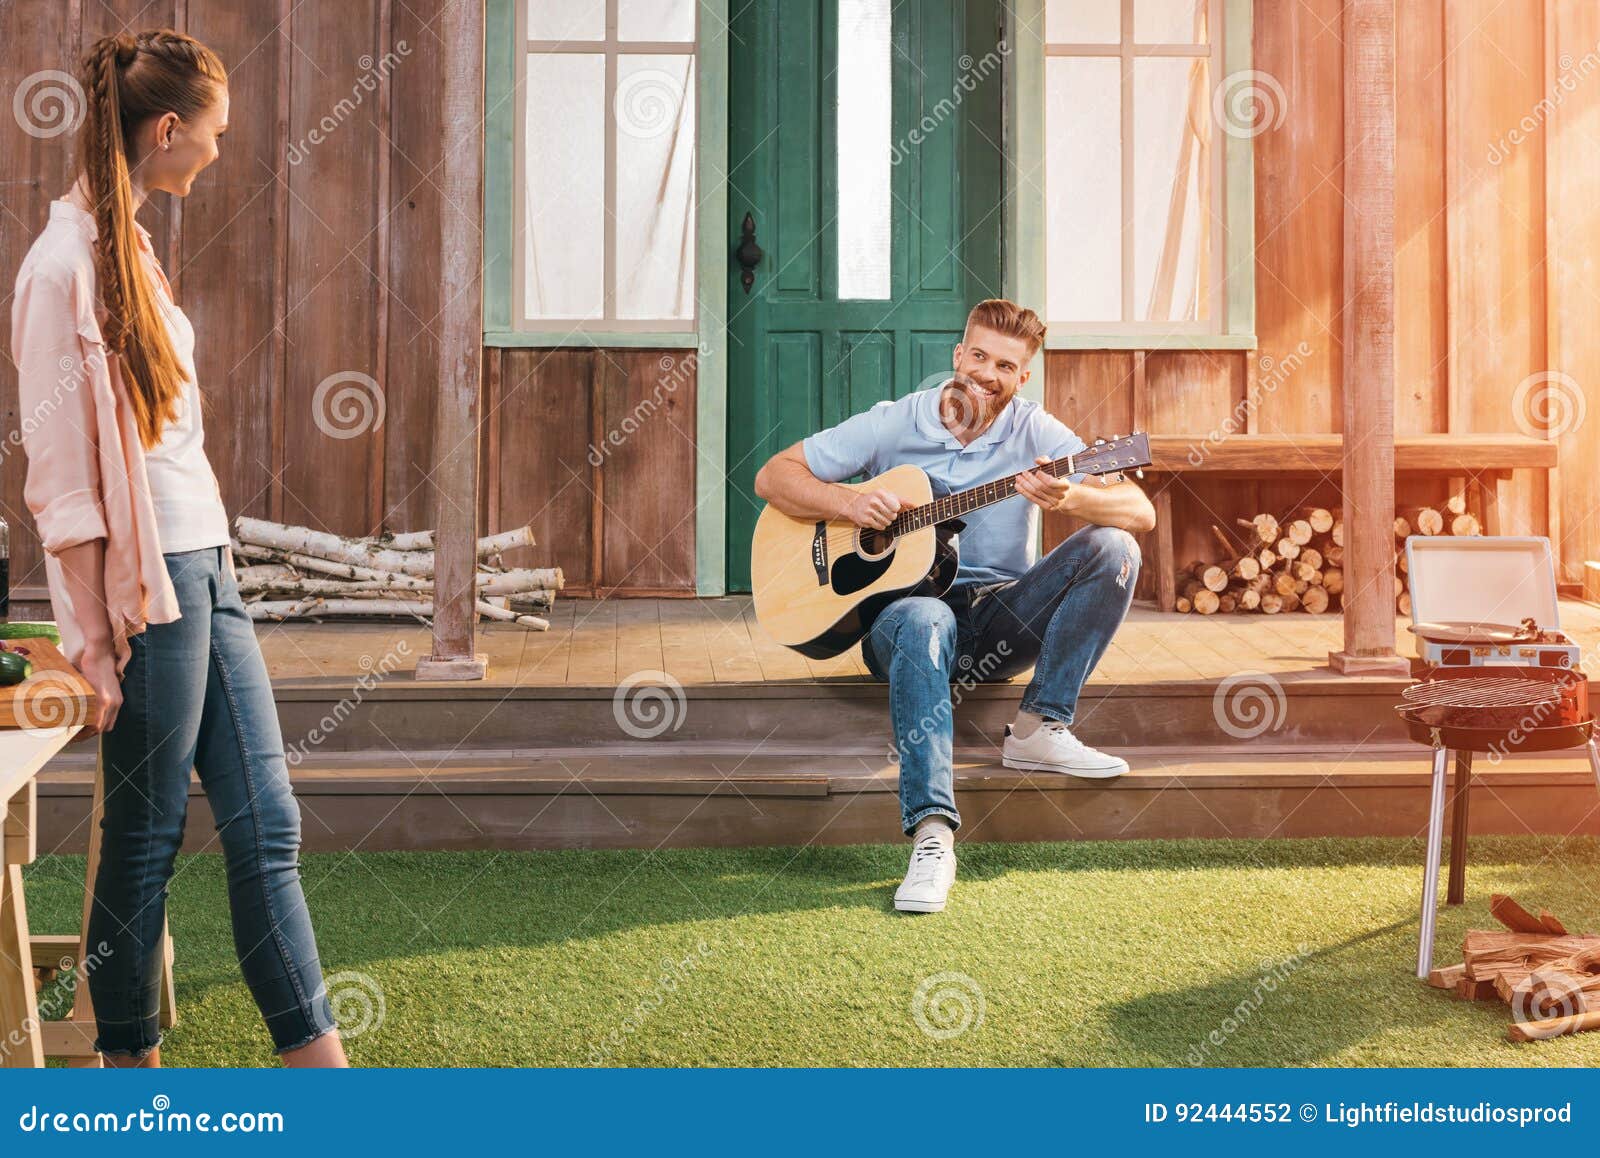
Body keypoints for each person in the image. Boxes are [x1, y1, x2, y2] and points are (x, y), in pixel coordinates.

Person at [9, 29, 345, 1067]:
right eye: (214, 132)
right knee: (145, 841)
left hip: (207, 565)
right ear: (166, 129)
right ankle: (127, 1077)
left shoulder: (134, 249)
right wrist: (94, 640)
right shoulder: (59, 266)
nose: (217, 149)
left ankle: (321, 1077)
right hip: (147, 593)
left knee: (266, 826)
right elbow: (60, 487)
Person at [753, 299, 1156, 914]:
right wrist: (847, 506)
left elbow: (1140, 511)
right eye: (979, 355)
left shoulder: (1036, 432)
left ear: (1023, 377)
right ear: (957, 355)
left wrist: (1072, 495)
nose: (988, 373)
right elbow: (774, 477)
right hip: (902, 622)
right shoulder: (894, 422)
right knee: (925, 615)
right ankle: (933, 836)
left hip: (998, 616)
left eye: (1007, 365)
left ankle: (1039, 727)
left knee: (1114, 545)